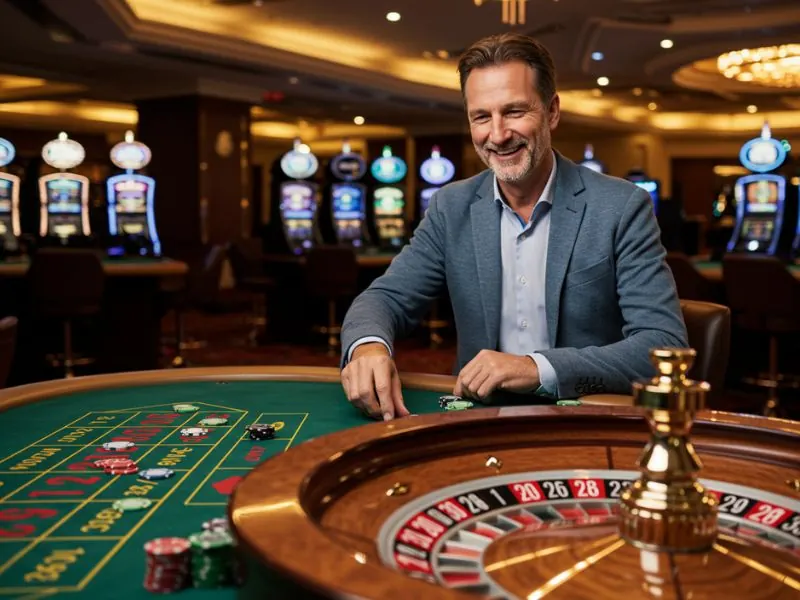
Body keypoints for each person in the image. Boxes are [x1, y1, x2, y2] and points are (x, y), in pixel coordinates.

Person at [340, 33, 687, 421]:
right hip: (477, 417)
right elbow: (383, 299)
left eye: (515, 111)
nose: (498, 134)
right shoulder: (450, 207)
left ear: (552, 111)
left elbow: (663, 348)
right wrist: (368, 346)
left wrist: (537, 367)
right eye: (482, 117)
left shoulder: (620, 206)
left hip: (585, 419)